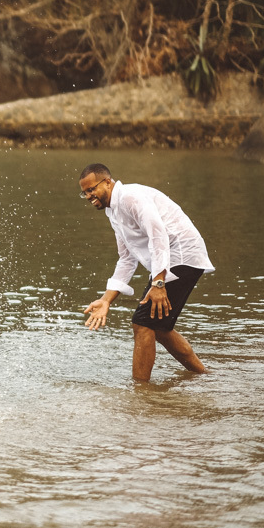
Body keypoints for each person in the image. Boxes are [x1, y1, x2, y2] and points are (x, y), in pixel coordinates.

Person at [78, 163, 213, 381]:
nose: (88, 196)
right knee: (159, 328)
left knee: (142, 323)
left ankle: (140, 394)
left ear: (107, 182)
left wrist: (158, 283)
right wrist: (106, 300)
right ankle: (204, 376)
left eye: (91, 189)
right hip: (170, 260)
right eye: (84, 192)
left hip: (182, 255)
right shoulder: (113, 211)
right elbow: (126, 258)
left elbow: (158, 235)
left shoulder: (131, 198)